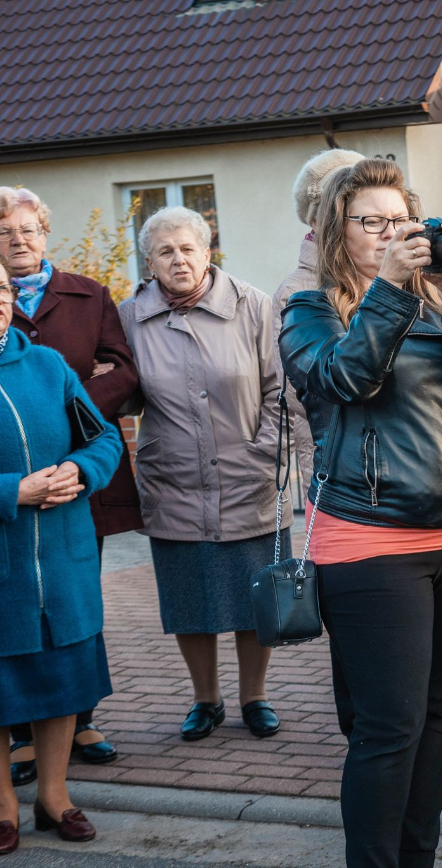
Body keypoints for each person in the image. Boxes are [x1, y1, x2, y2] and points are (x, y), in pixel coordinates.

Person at [280, 158, 442, 867]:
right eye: (372, 223)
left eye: (400, 221)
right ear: (337, 231)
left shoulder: (438, 305)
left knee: (440, 718)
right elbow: (344, 379)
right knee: (389, 728)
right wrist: (388, 287)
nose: (391, 234)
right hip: (369, 540)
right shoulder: (309, 307)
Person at [118, 207, 291, 743]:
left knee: (254, 598)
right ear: (149, 263)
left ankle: (254, 697)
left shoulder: (254, 306)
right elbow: (123, 395)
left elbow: (280, 392)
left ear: (208, 250)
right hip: (174, 481)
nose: (179, 260)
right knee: (190, 602)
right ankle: (205, 700)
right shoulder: (129, 317)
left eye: (188, 248)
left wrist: (263, 456)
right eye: (165, 252)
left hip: (250, 476)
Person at [0, 187, 138, 783]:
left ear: (45, 232)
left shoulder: (85, 296)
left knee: (74, 605)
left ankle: (78, 719)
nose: (18, 241)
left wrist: (73, 410)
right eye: (5, 233)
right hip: (17, 498)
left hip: (72, 485)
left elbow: (125, 370)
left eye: (28, 230)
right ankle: (22, 737)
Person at [274, 149, 366, 498]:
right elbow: (295, 390)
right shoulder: (297, 290)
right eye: (349, 209)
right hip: (341, 469)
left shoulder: (403, 276)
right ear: (319, 220)